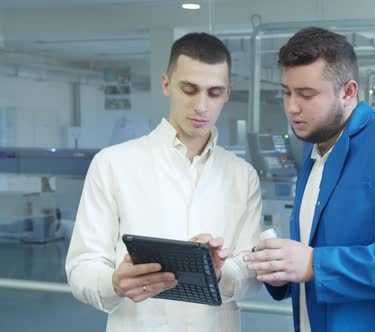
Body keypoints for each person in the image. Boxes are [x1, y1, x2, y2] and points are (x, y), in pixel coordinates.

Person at [244, 27, 375, 332]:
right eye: (286, 92)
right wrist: (283, 270)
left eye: (307, 95)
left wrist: (315, 264)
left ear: (348, 92)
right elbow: (314, 258)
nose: (292, 107)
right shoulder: (316, 151)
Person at [65, 33, 262, 332]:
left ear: (228, 93)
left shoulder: (242, 175)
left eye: (214, 92)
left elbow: (251, 272)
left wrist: (221, 273)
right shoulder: (113, 163)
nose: (201, 106)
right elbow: (82, 267)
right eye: (189, 89)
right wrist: (113, 282)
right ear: (166, 84)